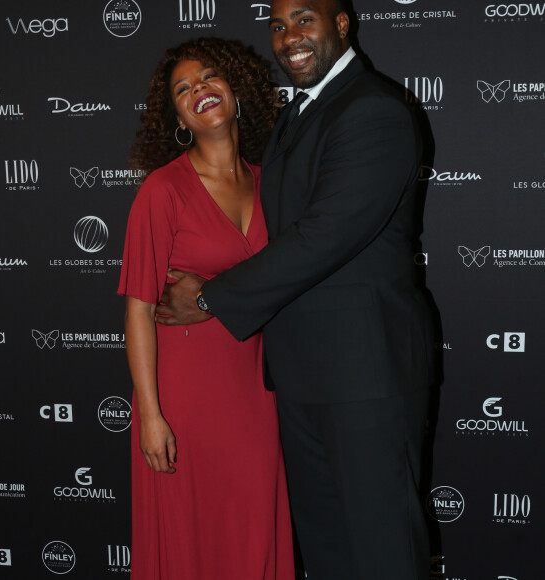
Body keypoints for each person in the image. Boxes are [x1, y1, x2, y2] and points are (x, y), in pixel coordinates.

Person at [156, 1, 438, 579]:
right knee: (328, 548)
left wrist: (211, 297)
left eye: (305, 20)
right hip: (300, 376)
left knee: (381, 548)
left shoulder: (374, 110)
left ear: (341, 23)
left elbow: (323, 237)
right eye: (278, 27)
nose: (289, 39)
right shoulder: (298, 115)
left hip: (364, 375)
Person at [118, 37, 295, 580]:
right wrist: (151, 416)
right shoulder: (162, 190)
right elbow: (138, 311)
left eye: (209, 77)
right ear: (177, 118)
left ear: (237, 92)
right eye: (184, 89)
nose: (200, 90)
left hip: (257, 395)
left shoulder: (275, 186)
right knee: (190, 539)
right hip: (185, 400)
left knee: (253, 533)